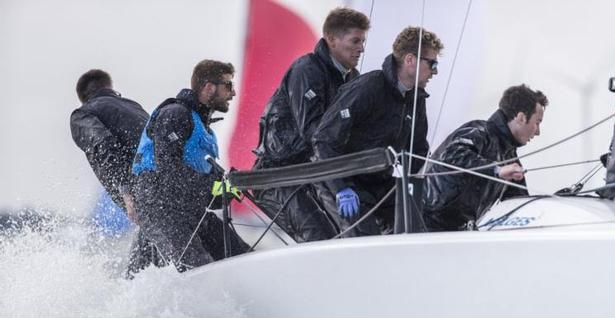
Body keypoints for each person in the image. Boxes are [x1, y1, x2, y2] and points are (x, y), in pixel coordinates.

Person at [252, 7, 370, 242]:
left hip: (315, 174)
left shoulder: (352, 79)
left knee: (347, 236)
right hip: (278, 176)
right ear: (333, 40)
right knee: (320, 237)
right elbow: (313, 132)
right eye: (355, 41)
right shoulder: (306, 69)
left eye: (363, 41)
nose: (361, 48)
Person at [312, 26, 443, 236]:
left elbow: (417, 150)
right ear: (410, 60)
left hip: (379, 184)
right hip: (346, 183)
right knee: (366, 240)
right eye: (432, 64)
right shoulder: (369, 87)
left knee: (419, 231)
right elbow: (324, 140)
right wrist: (339, 188)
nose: (435, 72)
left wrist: (414, 189)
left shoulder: (416, 99)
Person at [132, 60, 248, 271]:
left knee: (244, 257)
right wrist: (211, 187)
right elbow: (168, 170)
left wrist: (229, 189)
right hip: (160, 210)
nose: (233, 93)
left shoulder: (203, 128)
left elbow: (206, 193)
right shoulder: (175, 114)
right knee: (197, 267)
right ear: (208, 87)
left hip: (189, 212)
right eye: (228, 86)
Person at [422, 84, 548, 231]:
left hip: (457, 231)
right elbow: (452, 155)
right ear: (521, 118)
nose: (538, 132)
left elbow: (519, 201)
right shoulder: (479, 131)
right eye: (537, 123)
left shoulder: (509, 156)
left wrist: (554, 200)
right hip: (425, 224)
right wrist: (497, 170)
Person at [70, 69, 159, 275]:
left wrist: (126, 191)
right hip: (169, 192)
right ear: (110, 87)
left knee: (137, 280)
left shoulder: (83, 114)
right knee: (147, 273)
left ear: (82, 97)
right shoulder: (134, 108)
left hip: (146, 199)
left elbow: (104, 146)